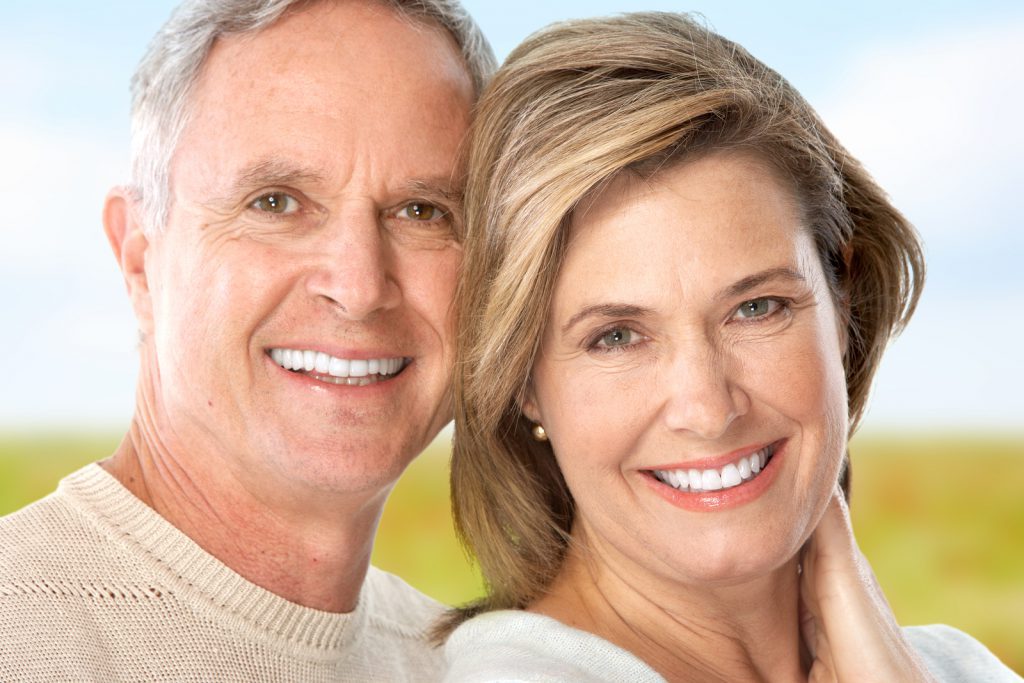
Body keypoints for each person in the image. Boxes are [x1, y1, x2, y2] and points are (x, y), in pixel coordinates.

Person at [441, 12, 1020, 682]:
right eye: (617, 336)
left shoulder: (958, 667)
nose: (708, 407)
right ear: (523, 381)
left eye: (755, 308)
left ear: (843, 302)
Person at [0, 0, 493, 680]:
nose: (358, 285)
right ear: (138, 260)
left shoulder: (469, 665)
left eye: (422, 211)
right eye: (276, 202)